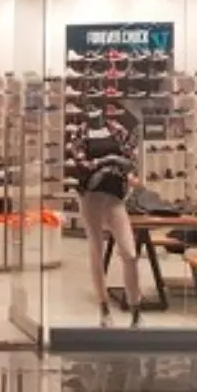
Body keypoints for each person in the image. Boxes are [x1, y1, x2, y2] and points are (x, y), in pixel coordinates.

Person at [69, 107, 143, 327]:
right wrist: (112, 162)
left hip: (114, 196)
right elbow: (82, 166)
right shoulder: (79, 133)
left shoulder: (116, 129)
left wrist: (103, 166)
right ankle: (103, 308)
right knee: (96, 251)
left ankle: (136, 308)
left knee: (130, 253)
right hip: (90, 196)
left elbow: (130, 161)